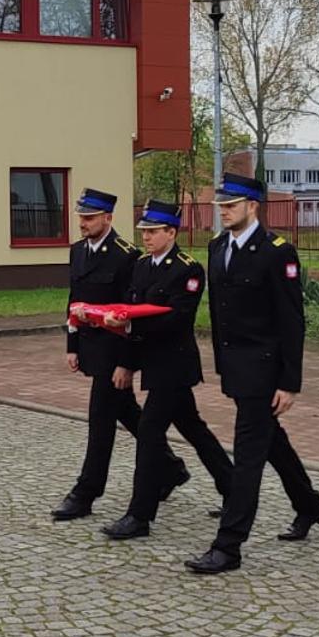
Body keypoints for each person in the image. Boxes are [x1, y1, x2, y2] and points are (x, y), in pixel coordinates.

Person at [186, 174, 319, 575]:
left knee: (248, 457)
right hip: (236, 368)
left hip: (265, 370)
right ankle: (311, 506)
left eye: (232, 205)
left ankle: (228, 546)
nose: (224, 210)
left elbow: (291, 321)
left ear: (253, 206)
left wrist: (289, 382)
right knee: (272, 443)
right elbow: (220, 315)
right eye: (221, 205)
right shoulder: (217, 248)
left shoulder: (275, 252)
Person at [51, 188, 195, 522]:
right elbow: (74, 301)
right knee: (128, 413)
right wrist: (72, 345)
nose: (83, 223)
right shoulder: (77, 252)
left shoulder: (126, 256)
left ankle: (85, 493)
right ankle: (171, 468)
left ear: (108, 218)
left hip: (114, 352)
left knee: (100, 420)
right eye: (81, 217)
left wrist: (126, 362)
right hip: (89, 347)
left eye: (89, 218)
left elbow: (131, 311)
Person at [98, 199, 234, 541]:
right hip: (151, 363)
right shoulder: (142, 266)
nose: (146, 237)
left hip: (174, 365)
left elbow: (175, 318)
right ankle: (234, 489)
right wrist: (127, 359)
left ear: (171, 232)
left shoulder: (188, 269)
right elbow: (130, 310)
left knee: (149, 433)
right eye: (143, 231)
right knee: (194, 429)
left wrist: (130, 328)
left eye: (153, 231)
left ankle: (139, 516)